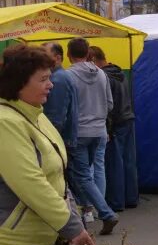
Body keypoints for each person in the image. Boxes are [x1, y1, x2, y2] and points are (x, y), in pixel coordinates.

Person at [0, 45, 96, 245]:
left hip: (38, 241)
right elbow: (31, 182)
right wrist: (70, 225)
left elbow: (56, 175)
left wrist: (70, 217)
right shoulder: (6, 121)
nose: (50, 84)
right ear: (19, 82)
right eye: (43, 79)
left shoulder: (34, 115)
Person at [64, 38, 117, 235]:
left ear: (69, 54)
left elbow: (67, 106)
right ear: (88, 53)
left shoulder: (68, 76)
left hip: (79, 132)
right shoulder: (102, 74)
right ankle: (97, 208)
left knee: (82, 175)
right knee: (98, 169)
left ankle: (104, 212)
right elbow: (110, 104)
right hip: (100, 130)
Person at [90, 47, 138, 213]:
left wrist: (108, 129)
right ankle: (131, 198)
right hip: (128, 118)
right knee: (129, 161)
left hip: (116, 123)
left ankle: (116, 202)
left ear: (95, 59)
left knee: (114, 164)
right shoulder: (120, 73)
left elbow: (109, 106)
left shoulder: (105, 77)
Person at [41, 43, 79, 203]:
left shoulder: (58, 79)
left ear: (57, 57)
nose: (41, 57)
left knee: (67, 184)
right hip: (66, 137)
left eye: (45, 53)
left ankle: (83, 218)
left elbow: (56, 117)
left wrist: (48, 141)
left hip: (61, 140)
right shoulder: (61, 76)